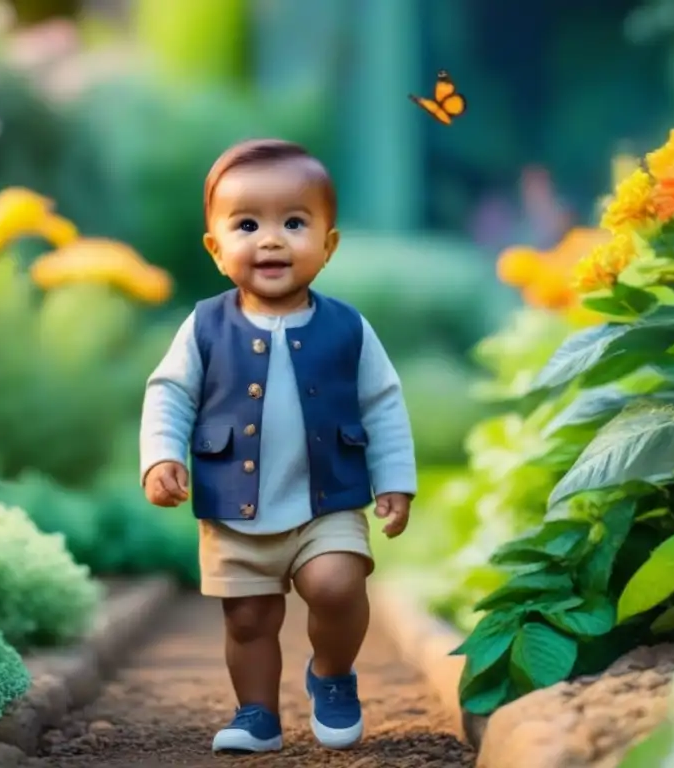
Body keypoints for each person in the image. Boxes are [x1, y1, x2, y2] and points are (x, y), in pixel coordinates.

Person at [139, 138, 417, 754]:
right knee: (249, 618)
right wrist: (162, 455)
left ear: (328, 243)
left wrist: (394, 478)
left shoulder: (348, 326)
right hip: (236, 507)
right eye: (247, 224)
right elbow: (170, 394)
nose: (270, 239)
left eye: (294, 222)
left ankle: (333, 673)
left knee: (339, 584)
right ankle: (256, 712)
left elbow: (383, 403)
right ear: (215, 249)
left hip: (328, 501)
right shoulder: (205, 325)